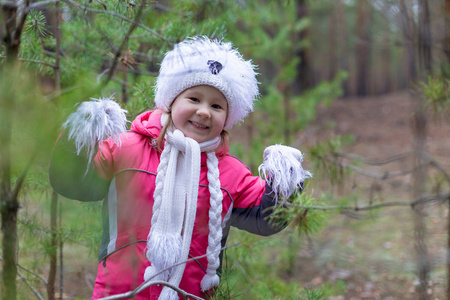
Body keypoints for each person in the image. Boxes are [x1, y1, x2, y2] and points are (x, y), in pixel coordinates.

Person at [49, 36, 311, 300]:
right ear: (172, 101)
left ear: (227, 118)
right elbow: (72, 182)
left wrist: (286, 177)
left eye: (216, 105)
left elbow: (267, 217)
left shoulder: (230, 173)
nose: (205, 111)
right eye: (194, 98)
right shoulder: (126, 149)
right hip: (118, 294)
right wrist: (80, 134)